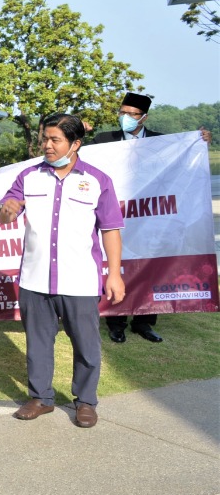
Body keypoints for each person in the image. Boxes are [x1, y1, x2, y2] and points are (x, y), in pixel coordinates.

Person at [0, 113, 125, 428]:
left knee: (86, 344)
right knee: (38, 342)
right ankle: (41, 398)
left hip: (80, 280)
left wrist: (115, 273)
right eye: (45, 139)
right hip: (35, 278)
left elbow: (110, 229)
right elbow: (4, 212)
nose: (47, 145)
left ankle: (85, 402)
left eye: (55, 140)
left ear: (75, 143)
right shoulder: (28, 177)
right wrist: (6, 210)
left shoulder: (98, 181)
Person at [89, 91, 212, 344]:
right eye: (121, 112)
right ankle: (116, 322)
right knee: (119, 263)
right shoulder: (103, 140)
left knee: (152, 265)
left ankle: (145, 322)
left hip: (151, 216)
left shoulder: (162, 142)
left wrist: (200, 142)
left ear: (143, 117)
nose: (124, 117)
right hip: (118, 213)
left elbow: (183, 162)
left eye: (130, 114)